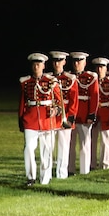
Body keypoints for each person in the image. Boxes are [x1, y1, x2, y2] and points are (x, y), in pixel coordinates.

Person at [19, 53, 64, 187]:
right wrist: (21, 120)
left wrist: (56, 111)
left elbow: (59, 102)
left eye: (39, 64)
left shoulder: (51, 81)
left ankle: (45, 178)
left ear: (43, 65)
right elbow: (22, 103)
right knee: (28, 148)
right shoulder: (26, 82)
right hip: (31, 120)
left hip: (46, 120)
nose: (36, 66)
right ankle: (30, 177)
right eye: (34, 64)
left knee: (46, 150)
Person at [49, 51, 78, 179]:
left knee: (64, 146)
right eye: (55, 61)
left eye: (59, 61)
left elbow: (74, 100)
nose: (57, 64)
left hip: (64, 116)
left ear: (64, 62)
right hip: (51, 116)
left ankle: (62, 173)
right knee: (48, 146)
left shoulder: (70, 79)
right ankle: (47, 172)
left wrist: (70, 117)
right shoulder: (48, 78)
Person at [69, 52, 99, 175]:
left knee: (84, 144)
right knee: (70, 144)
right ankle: (69, 169)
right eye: (75, 61)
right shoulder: (69, 77)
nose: (77, 64)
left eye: (79, 61)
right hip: (72, 116)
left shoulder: (90, 78)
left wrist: (92, 114)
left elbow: (94, 97)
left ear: (85, 62)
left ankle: (84, 169)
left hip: (84, 115)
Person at [91, 57, 109, 171]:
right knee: (92, 140)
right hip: (95, 114)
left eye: (102, 67)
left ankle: (105, 163)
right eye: (98, 67)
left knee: (106, 140)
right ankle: (92, 163)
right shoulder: (92, 81)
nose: (99, 70)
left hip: (107, 114)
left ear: (106, 68)